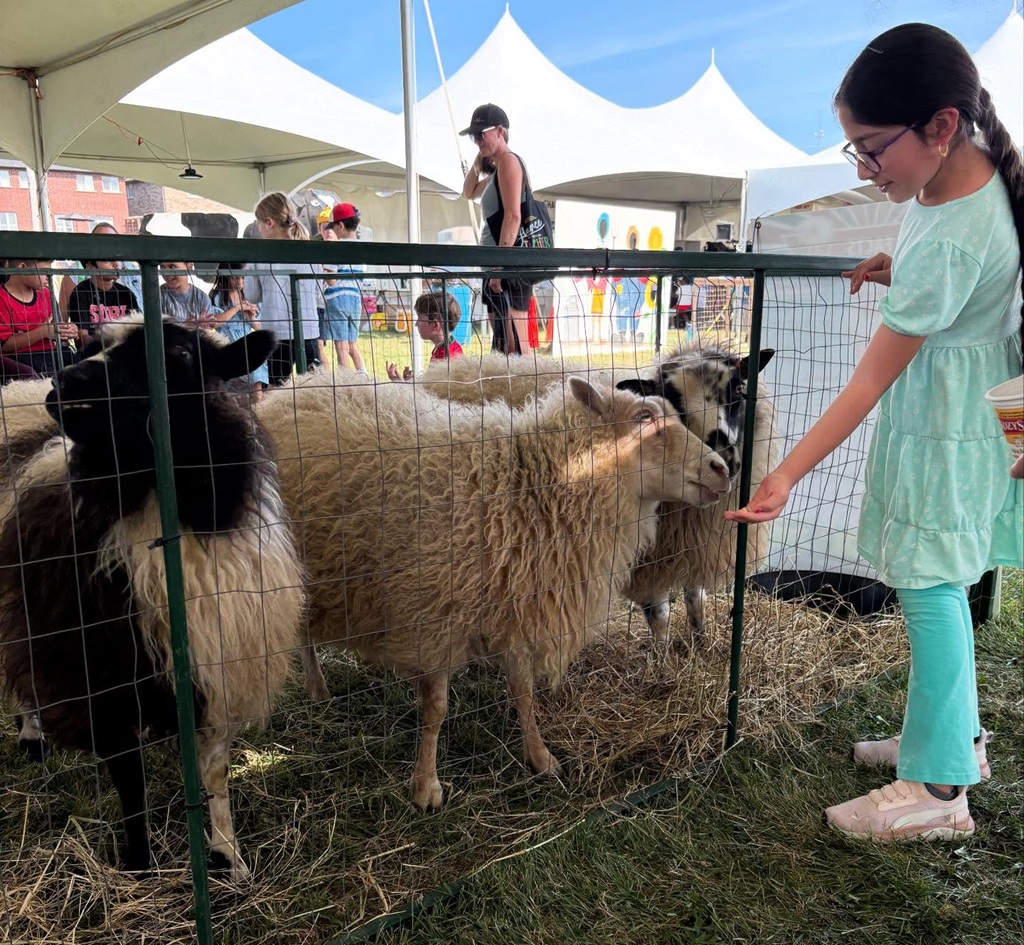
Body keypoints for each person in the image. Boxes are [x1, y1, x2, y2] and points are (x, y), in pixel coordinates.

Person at [726, 23, 1023, 842]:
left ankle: (938, 788)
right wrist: (902, 269)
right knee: (943, 584)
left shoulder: (955, 225)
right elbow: (959, 270)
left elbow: (867, 382)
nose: (863, 167)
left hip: (944, 428)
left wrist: (783, 475)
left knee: (930, 587)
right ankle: (950, 735)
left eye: (869, 147)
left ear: (939, 126)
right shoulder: (960, 181)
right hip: (956, 414)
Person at [460, 103, 535, 356]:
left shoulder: (509, 162)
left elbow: (513, 216)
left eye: (481, 134)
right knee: (503, 346)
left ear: (501, 131)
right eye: (474, 136)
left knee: (516, 348)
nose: (477, 140)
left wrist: (500, 268)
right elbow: (468, 192)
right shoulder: (496, 170)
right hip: (496, 268)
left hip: (507, 269)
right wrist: (478, 162)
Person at [244, 192, 321, 385]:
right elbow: (318, 291)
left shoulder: (259, 255)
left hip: (277, 334)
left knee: (278, 387)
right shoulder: (311, 252)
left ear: (269, 222)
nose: (259, 229)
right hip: (309, 330)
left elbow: (251, 295)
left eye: (259, 223)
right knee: (313, 387)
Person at [0, 260, 78, 375]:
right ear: (22, 268)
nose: (48, 277)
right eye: (43, 272)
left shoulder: (46, 294)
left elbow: (57, 328)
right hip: (20, 358)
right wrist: (43, 332)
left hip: (52, 353)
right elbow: (5, 346)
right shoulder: (2, 298)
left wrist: (68, 331)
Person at [209, 262, 268, 402]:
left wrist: (251, 318)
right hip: (225, 339)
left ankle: (258, 400)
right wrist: (236, 308)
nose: (240, 282)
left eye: (243, 278)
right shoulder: (216, 296)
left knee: (257, 363)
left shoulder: (249, 296)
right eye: (235, 278)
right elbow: (215, 321)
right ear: (225, 277)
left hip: (247, 337)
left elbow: (259, 328)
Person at [58, 222, 143, 317]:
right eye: (102, 242)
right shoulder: (74, 274)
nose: (108, 247)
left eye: (113, 242)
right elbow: (62, 319)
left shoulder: (131, 269)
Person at [320, 203, 367, 374]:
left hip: (337, 299)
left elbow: (332, 280)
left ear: (340, 225)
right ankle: (363, 376)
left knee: (340, 345)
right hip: (355, 299)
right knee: (353, 344)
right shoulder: (362, 248)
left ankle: (345, 381)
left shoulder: (336, 248)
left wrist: (323, 268)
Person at [386, 290, 464, 381]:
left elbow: (432, 393)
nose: (416, 324)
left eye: (420, 318)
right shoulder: (449, 347)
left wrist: (401, 383)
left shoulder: (446, 357)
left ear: (435, 325)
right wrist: (411, 381)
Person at [67, 258, 137, 344]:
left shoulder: (126, 293)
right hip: (95, 352)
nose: (116, 264)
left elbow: (136, 329)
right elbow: (82, 337)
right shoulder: (81, 292)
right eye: (106, 260)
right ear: (90, 267)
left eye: (117, 259)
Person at [159, 262, 215, 326]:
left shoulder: (202, 298)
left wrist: (205, 328)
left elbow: (209, 330)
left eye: (172, 267)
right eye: (162, 267)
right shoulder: (157, 295)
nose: (166, 273)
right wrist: (185, 327)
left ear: (189, 267)